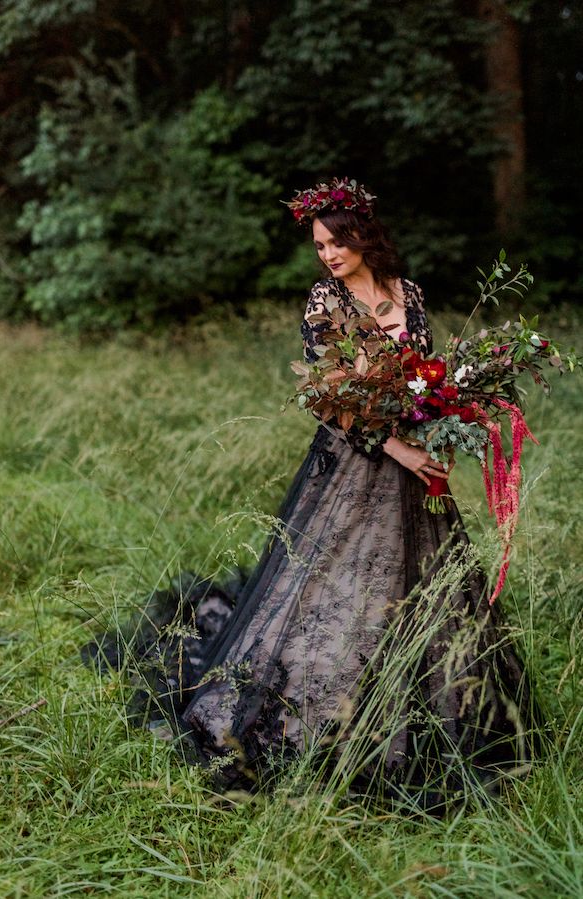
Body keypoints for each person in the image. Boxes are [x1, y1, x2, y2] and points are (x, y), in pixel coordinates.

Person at [84, 178, 537, 810]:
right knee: (332, 584)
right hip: (354, 462)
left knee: (422, 586)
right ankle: (314, 721)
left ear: (364, 236)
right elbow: (326, 396)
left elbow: (423, 376)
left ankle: (425, 711)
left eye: (336, 242)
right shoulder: (325, 300)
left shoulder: (410, 295)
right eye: (319, 245)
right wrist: (400, 447)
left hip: (416, 466)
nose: (327, 254)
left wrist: (438, 431)